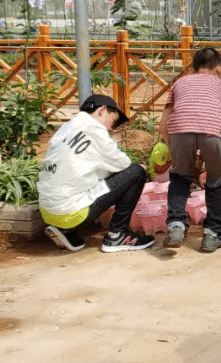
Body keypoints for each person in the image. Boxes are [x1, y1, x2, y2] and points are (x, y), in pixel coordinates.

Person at [38, 94, 154, 252]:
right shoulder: (96, 130)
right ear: (102, 110)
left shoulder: (67, 127)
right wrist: (113, 141)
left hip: (47, 211)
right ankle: (117, 234)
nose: (111, 128)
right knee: (136, 172)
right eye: (113, 121)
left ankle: (65, 230)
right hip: (73, 213)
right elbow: (123, 164)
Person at [158, 47, 221, 253]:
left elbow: (163, 126)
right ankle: (213, 234)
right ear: (219, 68)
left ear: (193, 68)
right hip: (214, 131)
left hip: (179, 130)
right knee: (216, 180)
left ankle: (176, 225)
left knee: (179, 177)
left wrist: (174, 146)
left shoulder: (179, 83)